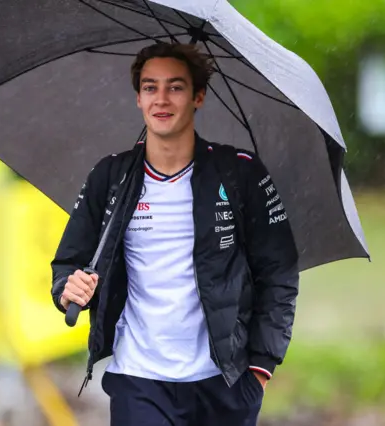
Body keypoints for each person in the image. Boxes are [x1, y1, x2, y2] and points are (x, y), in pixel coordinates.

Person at [50, 42, 299, 426]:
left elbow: (279, 272)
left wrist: (261, 368)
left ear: (198, 96)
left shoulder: (240, 173)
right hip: (139, 380)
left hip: (225, 383)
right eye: (150, 87)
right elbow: (69, 262)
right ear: (138, 98)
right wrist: (68, 287)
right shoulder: (111, 176)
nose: (161, 99)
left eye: (175, 87)